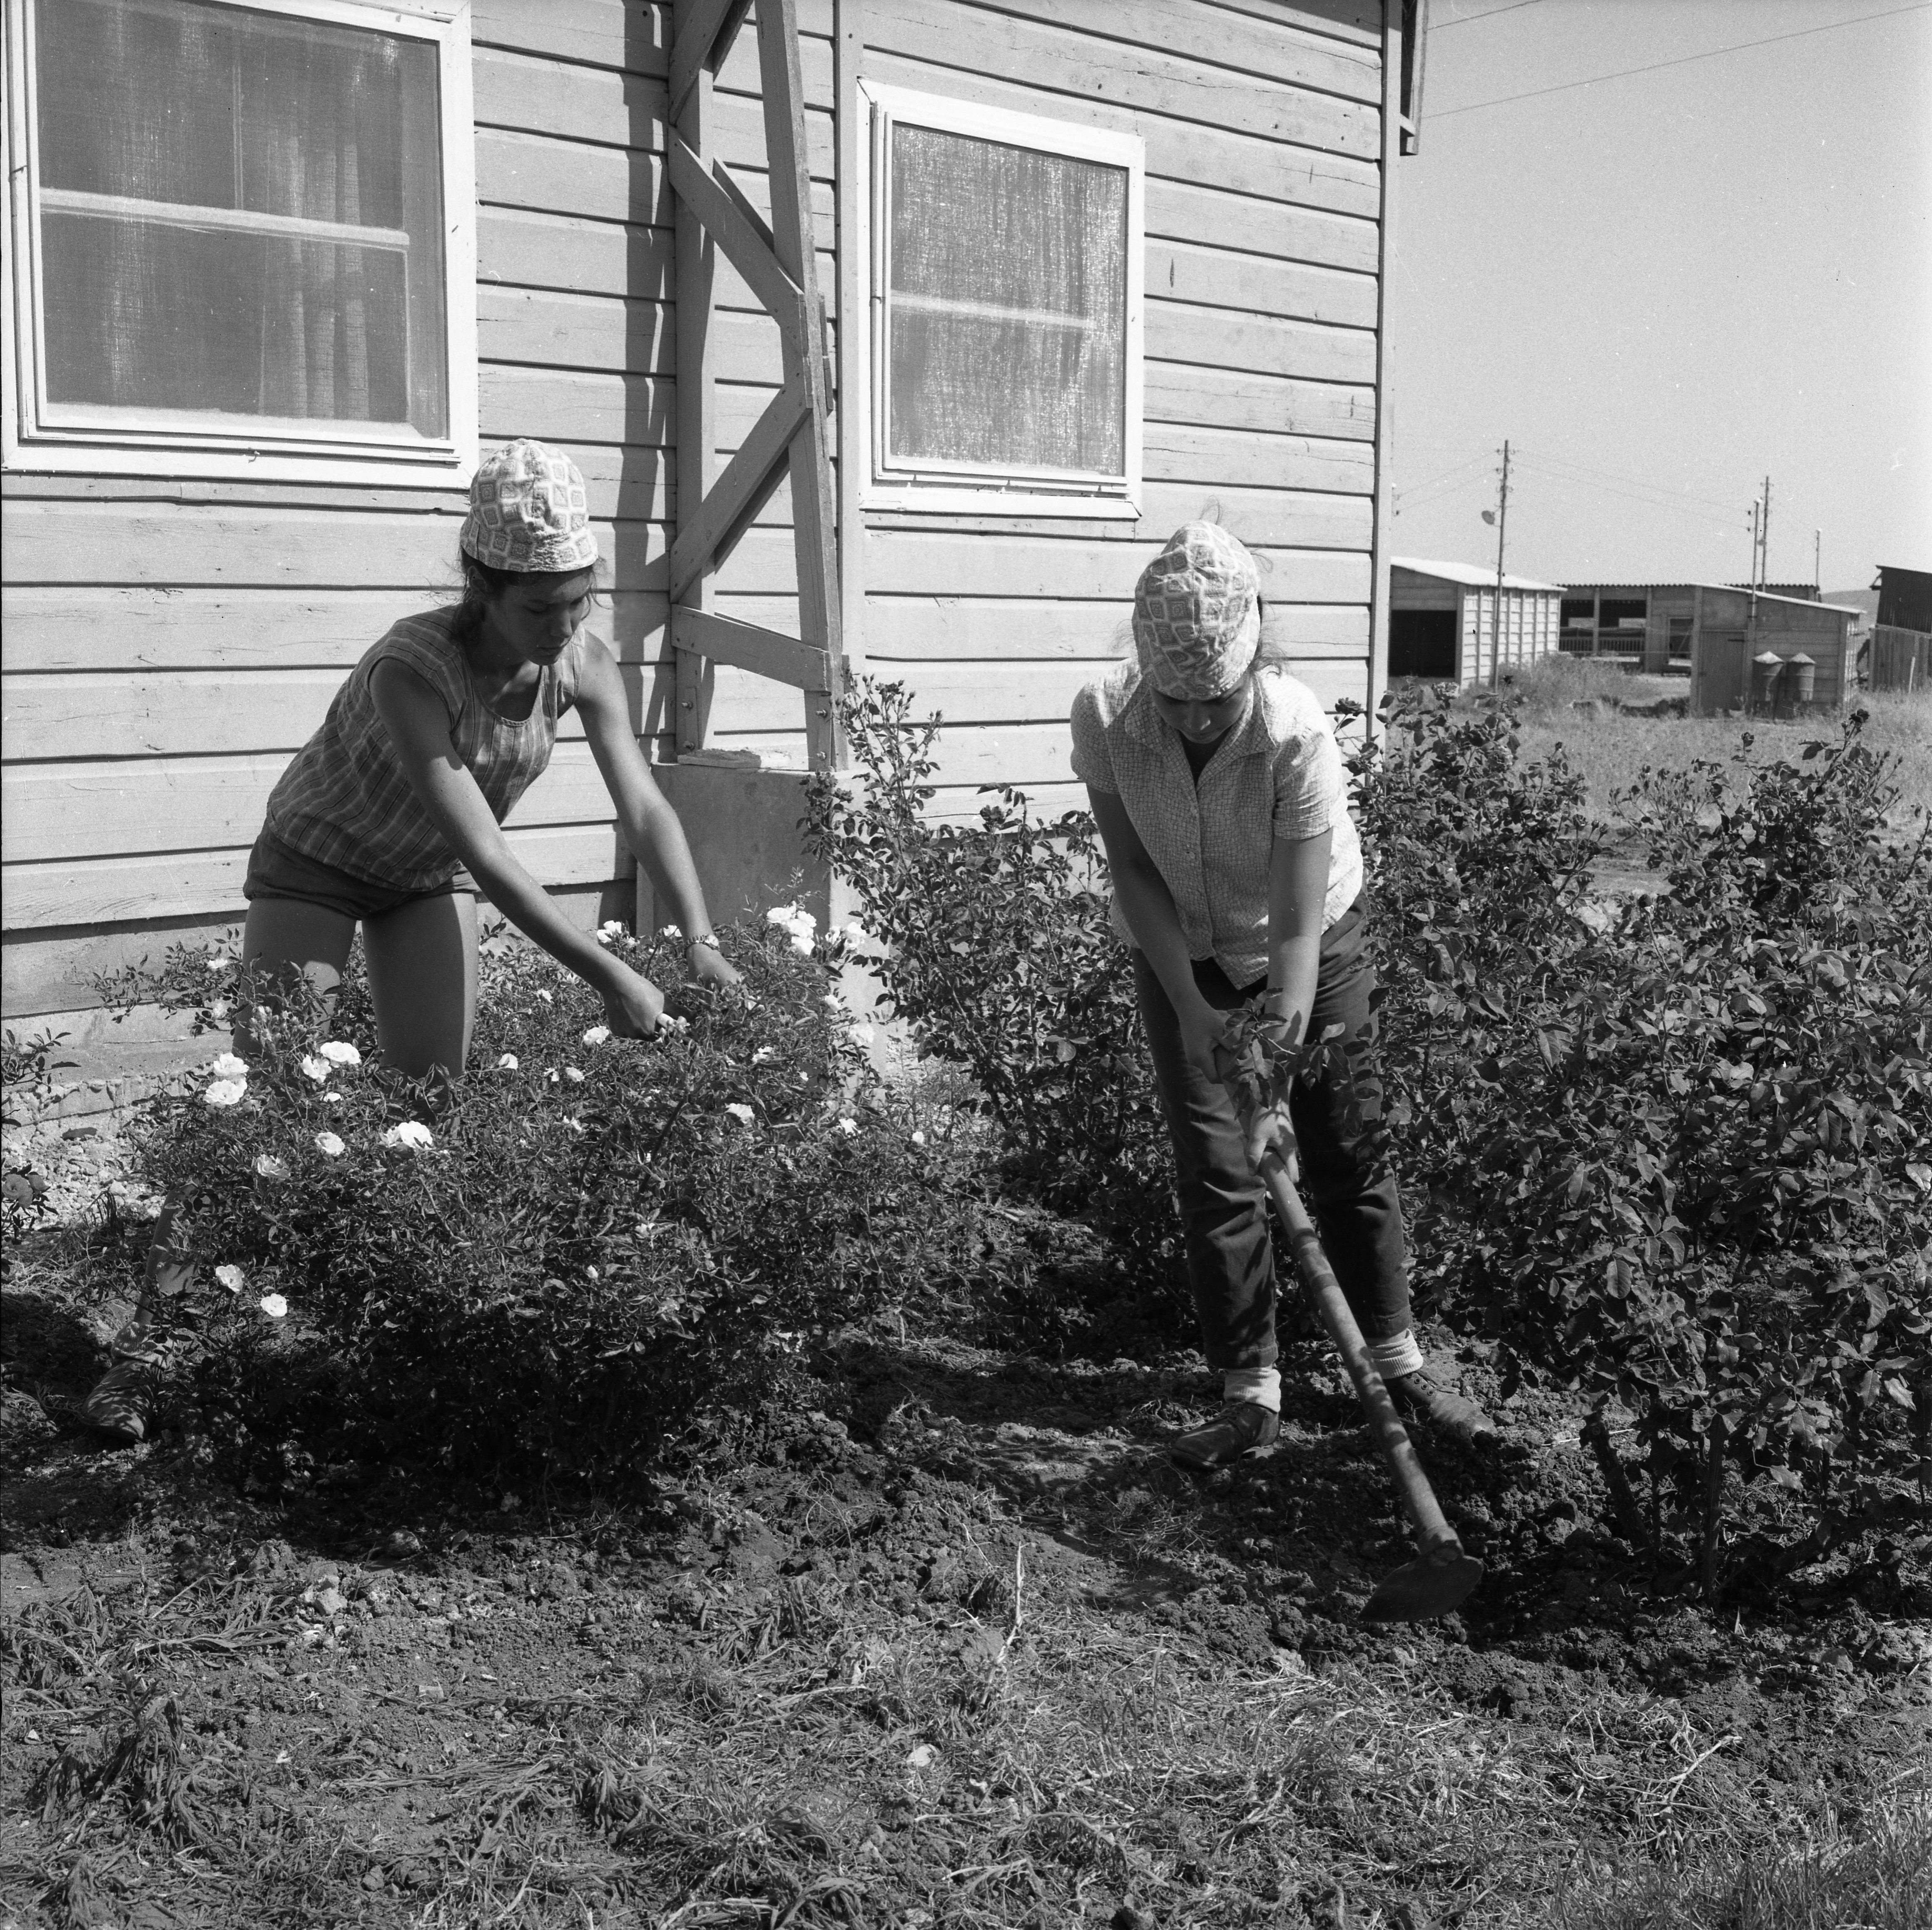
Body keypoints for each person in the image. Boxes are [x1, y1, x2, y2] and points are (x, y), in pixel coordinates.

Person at [85, 439, 737, 1441]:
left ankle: (382, 1326)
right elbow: (484, 845)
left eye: (580, 599)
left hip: (418, 880)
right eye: (539, 607)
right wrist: (610, 974)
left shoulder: (581, 663)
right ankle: (146, 1349)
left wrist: (694, 935)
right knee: (273, 1096)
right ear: (480, 585)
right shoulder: (412, 667)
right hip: (317, 859)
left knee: (429, 1102)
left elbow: (643, 804)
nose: (563, 626)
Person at [1069, 522, 1495, 1469]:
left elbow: (1299, 928)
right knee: (1219, 1167)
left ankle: (1396, 1365)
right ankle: (1249, 1392)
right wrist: (1191, 1005)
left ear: (1254, 656)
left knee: (1342, 1142)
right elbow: (1131, 868)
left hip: (1312, 944)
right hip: (1179, 943)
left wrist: (1275, 1075)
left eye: (1212, 700)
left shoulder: (1294, 728)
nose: (1191, 720)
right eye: (1173, 700)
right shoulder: (1104, 715)